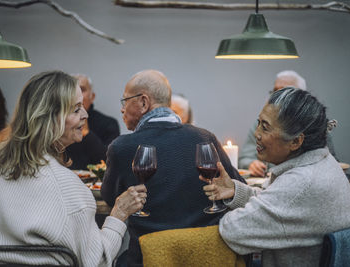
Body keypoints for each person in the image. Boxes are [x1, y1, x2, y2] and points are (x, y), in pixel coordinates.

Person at [0, 71, 147, 266]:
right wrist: (118, 214)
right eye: (76, 109)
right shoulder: (68, 188)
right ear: (50, 118)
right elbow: (98, 261)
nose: (85, 114)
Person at [201, 87, 350, 267]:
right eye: (259, 123)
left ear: (296, 141)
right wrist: (235, 191)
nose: (257, 134)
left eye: (265, 127)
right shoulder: (322, 162)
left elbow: (233, 230)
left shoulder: (302, 184)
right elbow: (281, 206)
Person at [101, 69, 246, 266]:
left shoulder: (122, 147)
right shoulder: (205, 138)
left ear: (143, 102)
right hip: (207, 257)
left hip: (148, 258)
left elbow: (111, 198)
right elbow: (237, 187)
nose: (122, 109)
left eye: (125, 101)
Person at [239, 70, 336, 177]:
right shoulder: (262, 124)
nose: (278, 97)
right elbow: (244, 158)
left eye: (286, 93)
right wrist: (251, 164)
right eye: (275, 92)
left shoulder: (317, 128)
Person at [66, 74, 119, 169]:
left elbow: (111, 162)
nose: (76, 95)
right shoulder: (60, 123)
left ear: (92, 96)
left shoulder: (109, 123)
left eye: (82, 89)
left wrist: (86, 133)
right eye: (73, 90)